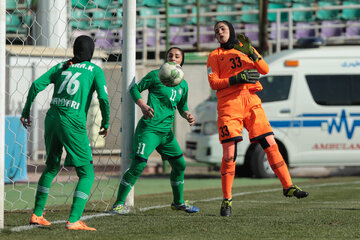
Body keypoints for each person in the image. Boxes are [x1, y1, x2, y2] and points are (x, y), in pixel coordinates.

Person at [206, 21, 309, 217]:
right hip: (229, 105)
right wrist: (237, 78)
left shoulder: (246, 49)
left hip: (251, 102)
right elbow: (213, 82)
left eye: (223, 28)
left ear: (232, 30)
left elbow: (264, 69)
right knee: (229, 154)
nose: (219, 32)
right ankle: (226, 199)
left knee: (271, 143)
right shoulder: (214, 56)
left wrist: (252, 53)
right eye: (216, 30)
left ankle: (288, 186)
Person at [20, 35, 110, 230]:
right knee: (87, 174)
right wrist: (106, 121)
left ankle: (37, 214)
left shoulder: (63, 66)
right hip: (72, 121)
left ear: (74, 49)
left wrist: (26, 111)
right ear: (91, 52)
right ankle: (74, 220)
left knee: (51, 166)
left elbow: (36, 85)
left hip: (52, 119)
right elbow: (103, 98)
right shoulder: (95, 70)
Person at [111, 47, 199, 214]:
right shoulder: (155, 75)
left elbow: (182, 106)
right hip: (149, 130)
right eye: (170, 55)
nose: (173, 58)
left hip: (166, 134)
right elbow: (134, 88)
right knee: (139, 165)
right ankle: (118, 203)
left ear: (182, 61)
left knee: (180, 165)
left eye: (177, 56)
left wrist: (186, 114)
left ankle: (178, 202)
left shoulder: (183, 84)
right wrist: (142, 105)